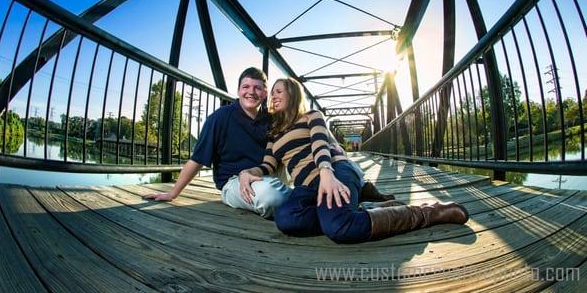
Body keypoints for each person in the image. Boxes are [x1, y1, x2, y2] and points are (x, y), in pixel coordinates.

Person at [240, 77, 469, 243]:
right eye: (273, 93)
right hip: (306, 186)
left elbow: (321, 144)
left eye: (279, 91)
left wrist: (327, 173)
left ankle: (427, 213)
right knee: (287, 220)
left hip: (335, 171)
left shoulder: (311, 116)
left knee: (339, 228)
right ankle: (363, 208)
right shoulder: (274, 134)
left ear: (293, 93)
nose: (274, 96)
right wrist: (248, 173)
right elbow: (267, 165)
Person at [144, 67, 291, 219]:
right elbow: (197, 160)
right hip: (235, 182)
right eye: (246, 87)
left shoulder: (272, 120)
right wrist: (172, 193)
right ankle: (300, 199)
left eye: (257, 88)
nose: (251, 92)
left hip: (268, 174)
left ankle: (302, 196)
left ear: (265, 93)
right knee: (272, 197)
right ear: (238, 90)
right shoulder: (219, 118)